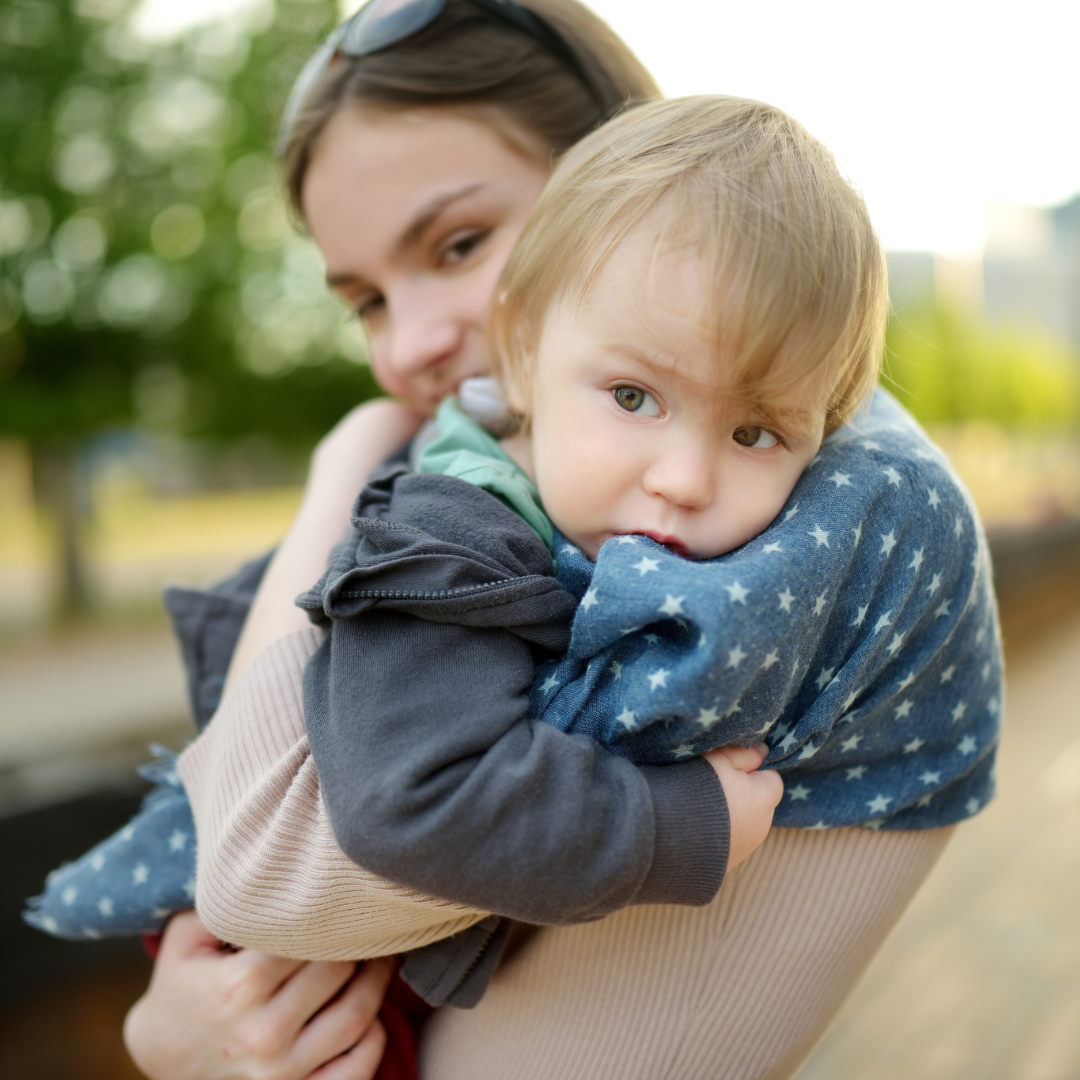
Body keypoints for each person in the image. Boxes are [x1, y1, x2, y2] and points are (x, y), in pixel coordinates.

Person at [115, 3, 994, 1078]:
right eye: (367, 303)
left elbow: (259, 862)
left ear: (617, 162)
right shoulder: (492, 474)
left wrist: (344, 473)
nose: (410, 346)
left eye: (459, 243)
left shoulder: (855, 503)